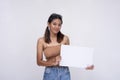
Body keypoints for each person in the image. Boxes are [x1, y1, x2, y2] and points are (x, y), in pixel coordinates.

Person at [37, 13, 94, 80]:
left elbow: (70, 58)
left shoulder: (65, 39)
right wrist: (53, 63)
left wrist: (86, 64)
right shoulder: (41, 41)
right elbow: (39, 62)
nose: (57, 27)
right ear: (48, 24)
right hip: (50, 73)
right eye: (54, 24)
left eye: (59, 25)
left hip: (64, 72)